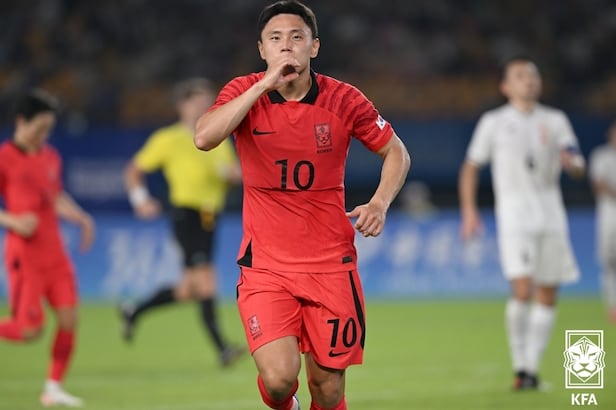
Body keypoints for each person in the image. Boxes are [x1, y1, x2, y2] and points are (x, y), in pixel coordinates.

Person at [193, 2, 411, 409]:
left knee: (328, 389)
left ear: (314, 47)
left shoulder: (344, 99)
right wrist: (263, 85)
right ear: (262, 49)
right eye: (275, 39)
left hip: (331, 265)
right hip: (266, 267)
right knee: (278, 379)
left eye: (297, 37)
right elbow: (204, 137)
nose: (286, 46)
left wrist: (379, 203)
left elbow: (396, 151)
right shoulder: (243, 92)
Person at [459, 56, 586, 390]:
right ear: (505, 86)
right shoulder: (494, 122)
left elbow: (576, 162)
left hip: (552, 215)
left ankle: (531, 369)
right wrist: (469, 212)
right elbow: (471, 166)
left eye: (532, 75)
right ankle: (519, 366)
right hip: (515, 216)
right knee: (522, 287)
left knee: (548, 292)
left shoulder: (556, 120)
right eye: (520, 76)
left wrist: (573, 165)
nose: (529, 80)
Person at [120, 77, 245, 367]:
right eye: (197, 101)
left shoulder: (217, 136)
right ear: (182, 105)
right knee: (206, 279)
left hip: (209, 216)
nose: (203, 107)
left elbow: (234, 173)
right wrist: (140, 200)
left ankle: (134, 310)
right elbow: (133, 171)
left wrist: (231, 176)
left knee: (189, 289)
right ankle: (223, 348)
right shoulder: (169, 138)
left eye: (207, 102)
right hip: (186, 214)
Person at [0, 89, 95, 407]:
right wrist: (12, 220)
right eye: (39, 128)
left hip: (54, 253)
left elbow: (54, 196)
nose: (44, 135)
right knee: (30, 331)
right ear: (21, 122)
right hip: (24, 255)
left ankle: (53, 388)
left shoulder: (50, 156)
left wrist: (81, 218)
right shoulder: (5, 158)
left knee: (69, 318)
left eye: (49, 129)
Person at [589, 121, 616, 323]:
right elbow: (598, 183)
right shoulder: (601, 155)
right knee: (609, 262)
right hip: (609, 215)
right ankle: (612, 306)